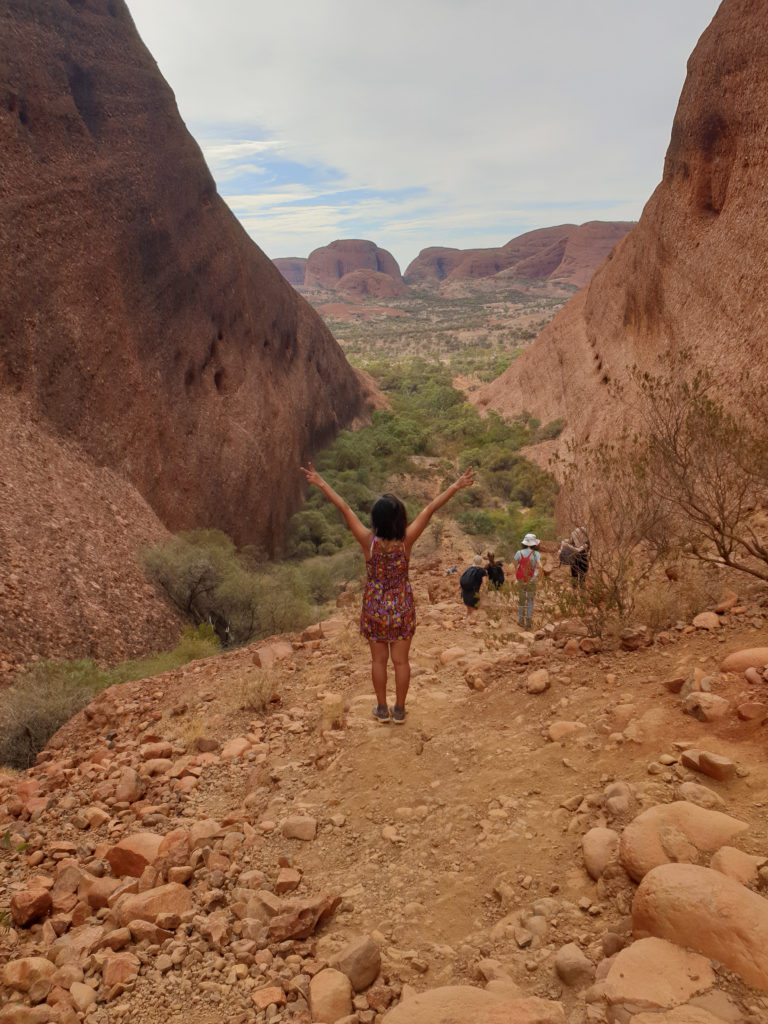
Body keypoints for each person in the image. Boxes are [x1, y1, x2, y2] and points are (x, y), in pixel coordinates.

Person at [299, 462, 476, 724]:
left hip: (375, 609)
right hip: (402, 606)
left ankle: (381, 709)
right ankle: (400, 710)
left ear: (375, 520)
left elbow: (344, 508)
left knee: (378, 661)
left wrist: (321, 483)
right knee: (401, 662)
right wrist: (455, 485)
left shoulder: (367, 542)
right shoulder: (406, 540)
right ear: (400, 518)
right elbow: (430, 509)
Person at [513, 532, 541, 629]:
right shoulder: (536, 554)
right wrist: (536, 574)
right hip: (531, 581)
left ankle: (520, 620)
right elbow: (540, 566)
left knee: (521, 600)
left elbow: (515, 566)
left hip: (520, 580)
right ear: (534, 544)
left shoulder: (519, 553)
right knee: (530, 601)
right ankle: (528, 623)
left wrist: (517, 577)